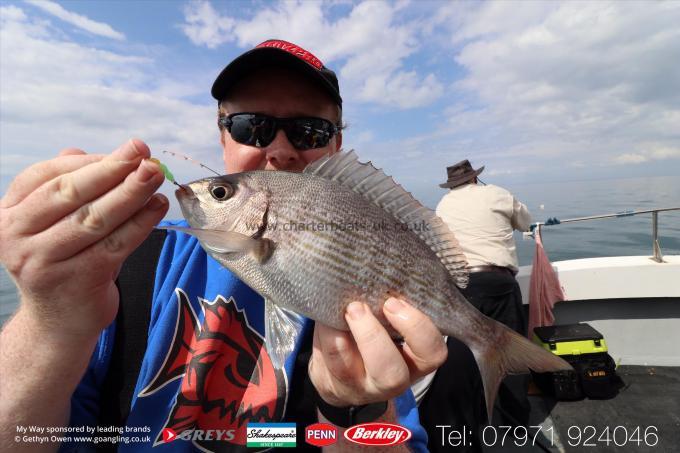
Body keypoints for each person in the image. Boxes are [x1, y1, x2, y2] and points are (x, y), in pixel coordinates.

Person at [0, 40, 448, 452]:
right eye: (251, 126)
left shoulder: (369, 305)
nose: (279, 150)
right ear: (222, 136)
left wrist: (354, 409)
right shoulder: (120, 266)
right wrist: (48, 319)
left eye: (309, 131)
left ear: (337, 146)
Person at [434, 159, 532, 429]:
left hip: (461, 288)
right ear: (475, 178)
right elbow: (525, 222)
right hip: (499, 281)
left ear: (452, 184)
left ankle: (473, 421)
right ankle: (516, 421)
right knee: (511, 351)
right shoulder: (497, 193)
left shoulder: (442, 206)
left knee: (466, 358)